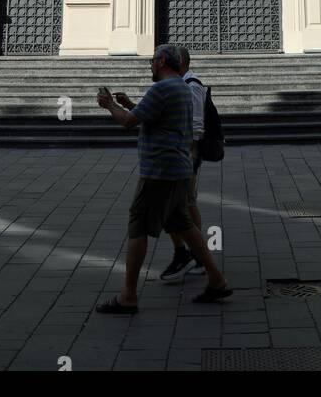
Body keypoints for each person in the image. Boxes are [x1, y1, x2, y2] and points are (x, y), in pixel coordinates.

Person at [93, 43, 231, 314]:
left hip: (159, 170)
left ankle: (128, 296)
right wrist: (131, 105)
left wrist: (109, 105)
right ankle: (216, 280)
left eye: (153, 61)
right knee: (184, 224)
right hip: (178, 167)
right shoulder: (182, 86)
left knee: (138, 226)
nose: (150, 66)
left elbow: (129, 122)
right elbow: (156, 118)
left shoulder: (161, 88)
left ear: (162, 62)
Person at [160, 46, 207, 281]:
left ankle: (198, 257)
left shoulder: (192, 86)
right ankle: (189, 254)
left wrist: (188, 151)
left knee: (187, 203)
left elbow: (197, 124)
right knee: (183, 204)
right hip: (179, 152)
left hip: (187, 152)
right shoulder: (179, 86)